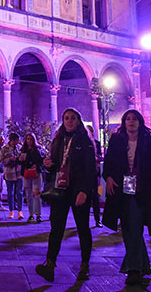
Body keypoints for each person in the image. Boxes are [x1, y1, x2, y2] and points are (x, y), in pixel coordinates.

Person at [103, 109, 151, 286]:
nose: (131, 122)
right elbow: (108, 163)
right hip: (122, 189)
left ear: (140, 122)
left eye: (134, 119)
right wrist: (108, 177)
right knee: (129, 226)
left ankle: (133, 268)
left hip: (141, 189)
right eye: (127, 119)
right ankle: (140, 266)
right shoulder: (117, 141)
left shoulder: (148, 143)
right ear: (124, 123)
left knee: (135, 226)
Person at [35, 108, 97, 283]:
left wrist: (84, 191)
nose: (69, 121)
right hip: (60, 189)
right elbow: (54, 166)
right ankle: (50, 263)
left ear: (79, 120)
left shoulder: (84, 141)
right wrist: (48, 165)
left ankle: (85, 265)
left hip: (78, 190)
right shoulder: (58, 140)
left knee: (83, 228)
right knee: (56, 228)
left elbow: (89, 169)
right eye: (66, 118)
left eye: (73, 118)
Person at [20, 133, 44, 223]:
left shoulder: (38, 149)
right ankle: (31, 214)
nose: (29, 141)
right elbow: (21, 162)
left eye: (30, 139)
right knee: (29, 195)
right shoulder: (23, 150)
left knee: (36, 194)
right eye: (27, 139)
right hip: (26, 174)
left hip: (36, 174)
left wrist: (36, 166)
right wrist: (21, 161)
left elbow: (42, 161)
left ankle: (38, 214)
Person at [1, 132, 24, 220]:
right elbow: (1, 161)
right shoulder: (4, 149)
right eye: (16, 140)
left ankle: (20, 211)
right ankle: (11, 211)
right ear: (12, 140)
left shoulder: (20, 148)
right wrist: (9, 159)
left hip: (18, 173)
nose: (17, 142)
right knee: (10, 193)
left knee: (19, 192)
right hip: (9, 173)